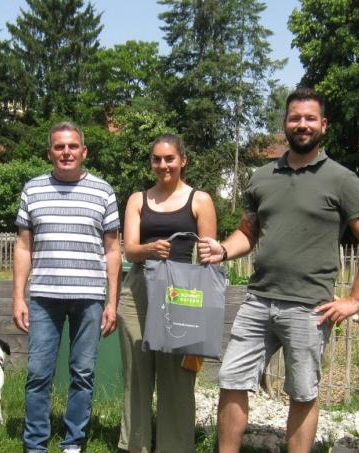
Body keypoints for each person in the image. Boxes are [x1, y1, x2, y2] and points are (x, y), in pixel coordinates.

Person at [199, 88, 359, 453]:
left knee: (302, 392)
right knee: (232, 381)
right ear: (285, 123)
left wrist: (354, 300)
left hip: (309, 307)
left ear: (324, 125)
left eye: (310, 118)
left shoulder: (342, 180)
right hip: (258, 299)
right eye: (295, 118)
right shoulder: (262, 176)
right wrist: (224, 249)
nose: (302, 125)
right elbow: (248, 232)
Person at [11, 121, 121, 453]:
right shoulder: (33, 189)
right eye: (59, 147)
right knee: (38, 374)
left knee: (83, 374)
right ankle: (35, 444)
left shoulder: (103, 191)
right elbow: (22, 246)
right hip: (44, 297)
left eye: (72, 146)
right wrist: (18, 295)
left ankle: (73, 443)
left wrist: (112, 302)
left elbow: (114, 249)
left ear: (84, 151)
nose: (66, 152)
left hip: (90, 298)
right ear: (50, 152)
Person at [117, 135, 217, 453]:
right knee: (137, 374)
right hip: (139, 291)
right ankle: (136, 445)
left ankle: (175, 447)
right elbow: (130, 250)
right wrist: (149, 248)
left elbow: (208, 256)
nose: (163, 165)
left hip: (182, 292)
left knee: (177, 377)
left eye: (170, 158)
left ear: (182, 161)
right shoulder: (138, 199)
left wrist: (201, 307)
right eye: (157, 159)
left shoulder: (200, 200)